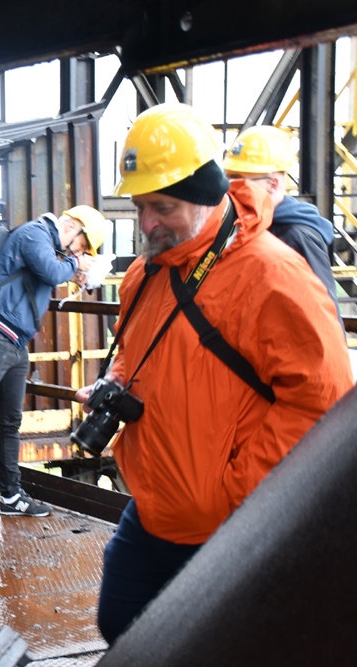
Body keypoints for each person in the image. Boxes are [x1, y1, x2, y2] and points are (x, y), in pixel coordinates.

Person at [82, 103, 352, 645]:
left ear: (206, 195)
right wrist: (117, 380)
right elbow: (136, 351)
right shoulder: (145, 272)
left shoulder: (273, 275)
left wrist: (235, 493)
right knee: (118, 625)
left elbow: (325, 401)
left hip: (224, 526)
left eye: (162, 207)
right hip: (153, 506)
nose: (146, 224)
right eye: (140, 206)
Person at [0, 206, 108, 528]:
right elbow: (51, 273)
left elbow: (46, 274)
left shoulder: (47, 246)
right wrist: (74, 264)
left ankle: (11, 496)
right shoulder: (34, 233)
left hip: (15, 342)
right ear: (72, 227)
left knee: (11, 422)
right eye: (82, 246)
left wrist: (75, 271)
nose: (78, 253)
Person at [223, 125, 341, 323]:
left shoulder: (297, 236)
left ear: (273, 185)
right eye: (229, 179)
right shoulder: (246, 227)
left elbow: (325, 319)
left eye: (240, 181)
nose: (231, 190)